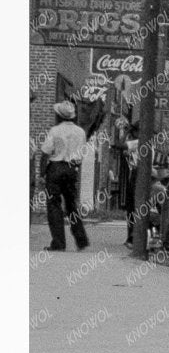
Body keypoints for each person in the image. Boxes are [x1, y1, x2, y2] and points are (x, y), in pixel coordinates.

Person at [39, 100, 91, 251]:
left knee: (54, 205)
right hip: (71, 169)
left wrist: (42, 174)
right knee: (71, 205)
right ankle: (81, 240)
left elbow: (45, 153)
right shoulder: (81, 132)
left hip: (55, 168)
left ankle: (59, 243)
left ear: (59, 116)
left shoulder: (55, 130)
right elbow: (81, 155)